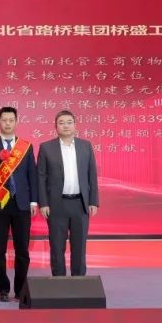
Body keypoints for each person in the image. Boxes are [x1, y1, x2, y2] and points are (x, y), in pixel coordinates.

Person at [0, 107, 38, 302]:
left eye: (11, 120)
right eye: (4, 120)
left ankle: (21, 289)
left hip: (22, 204)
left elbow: (32, 175)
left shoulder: (26, 147)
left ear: (16, 122)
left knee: (22, 249)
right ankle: (2, 289)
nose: (7, 123)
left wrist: (33, 201)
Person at [37, 110, 100, 276]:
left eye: (69, 122)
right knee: (57, 246)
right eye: (62, 123)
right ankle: (59, 281)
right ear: (55, 127)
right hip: (57, 204)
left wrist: (93, 201)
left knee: (79, 246)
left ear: (75, 125)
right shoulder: (46, 148)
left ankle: (78, 281)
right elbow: (41, 177)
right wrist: (43, 203)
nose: (66, 126)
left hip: (80, 204)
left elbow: (92, 175)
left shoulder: (85, 146)